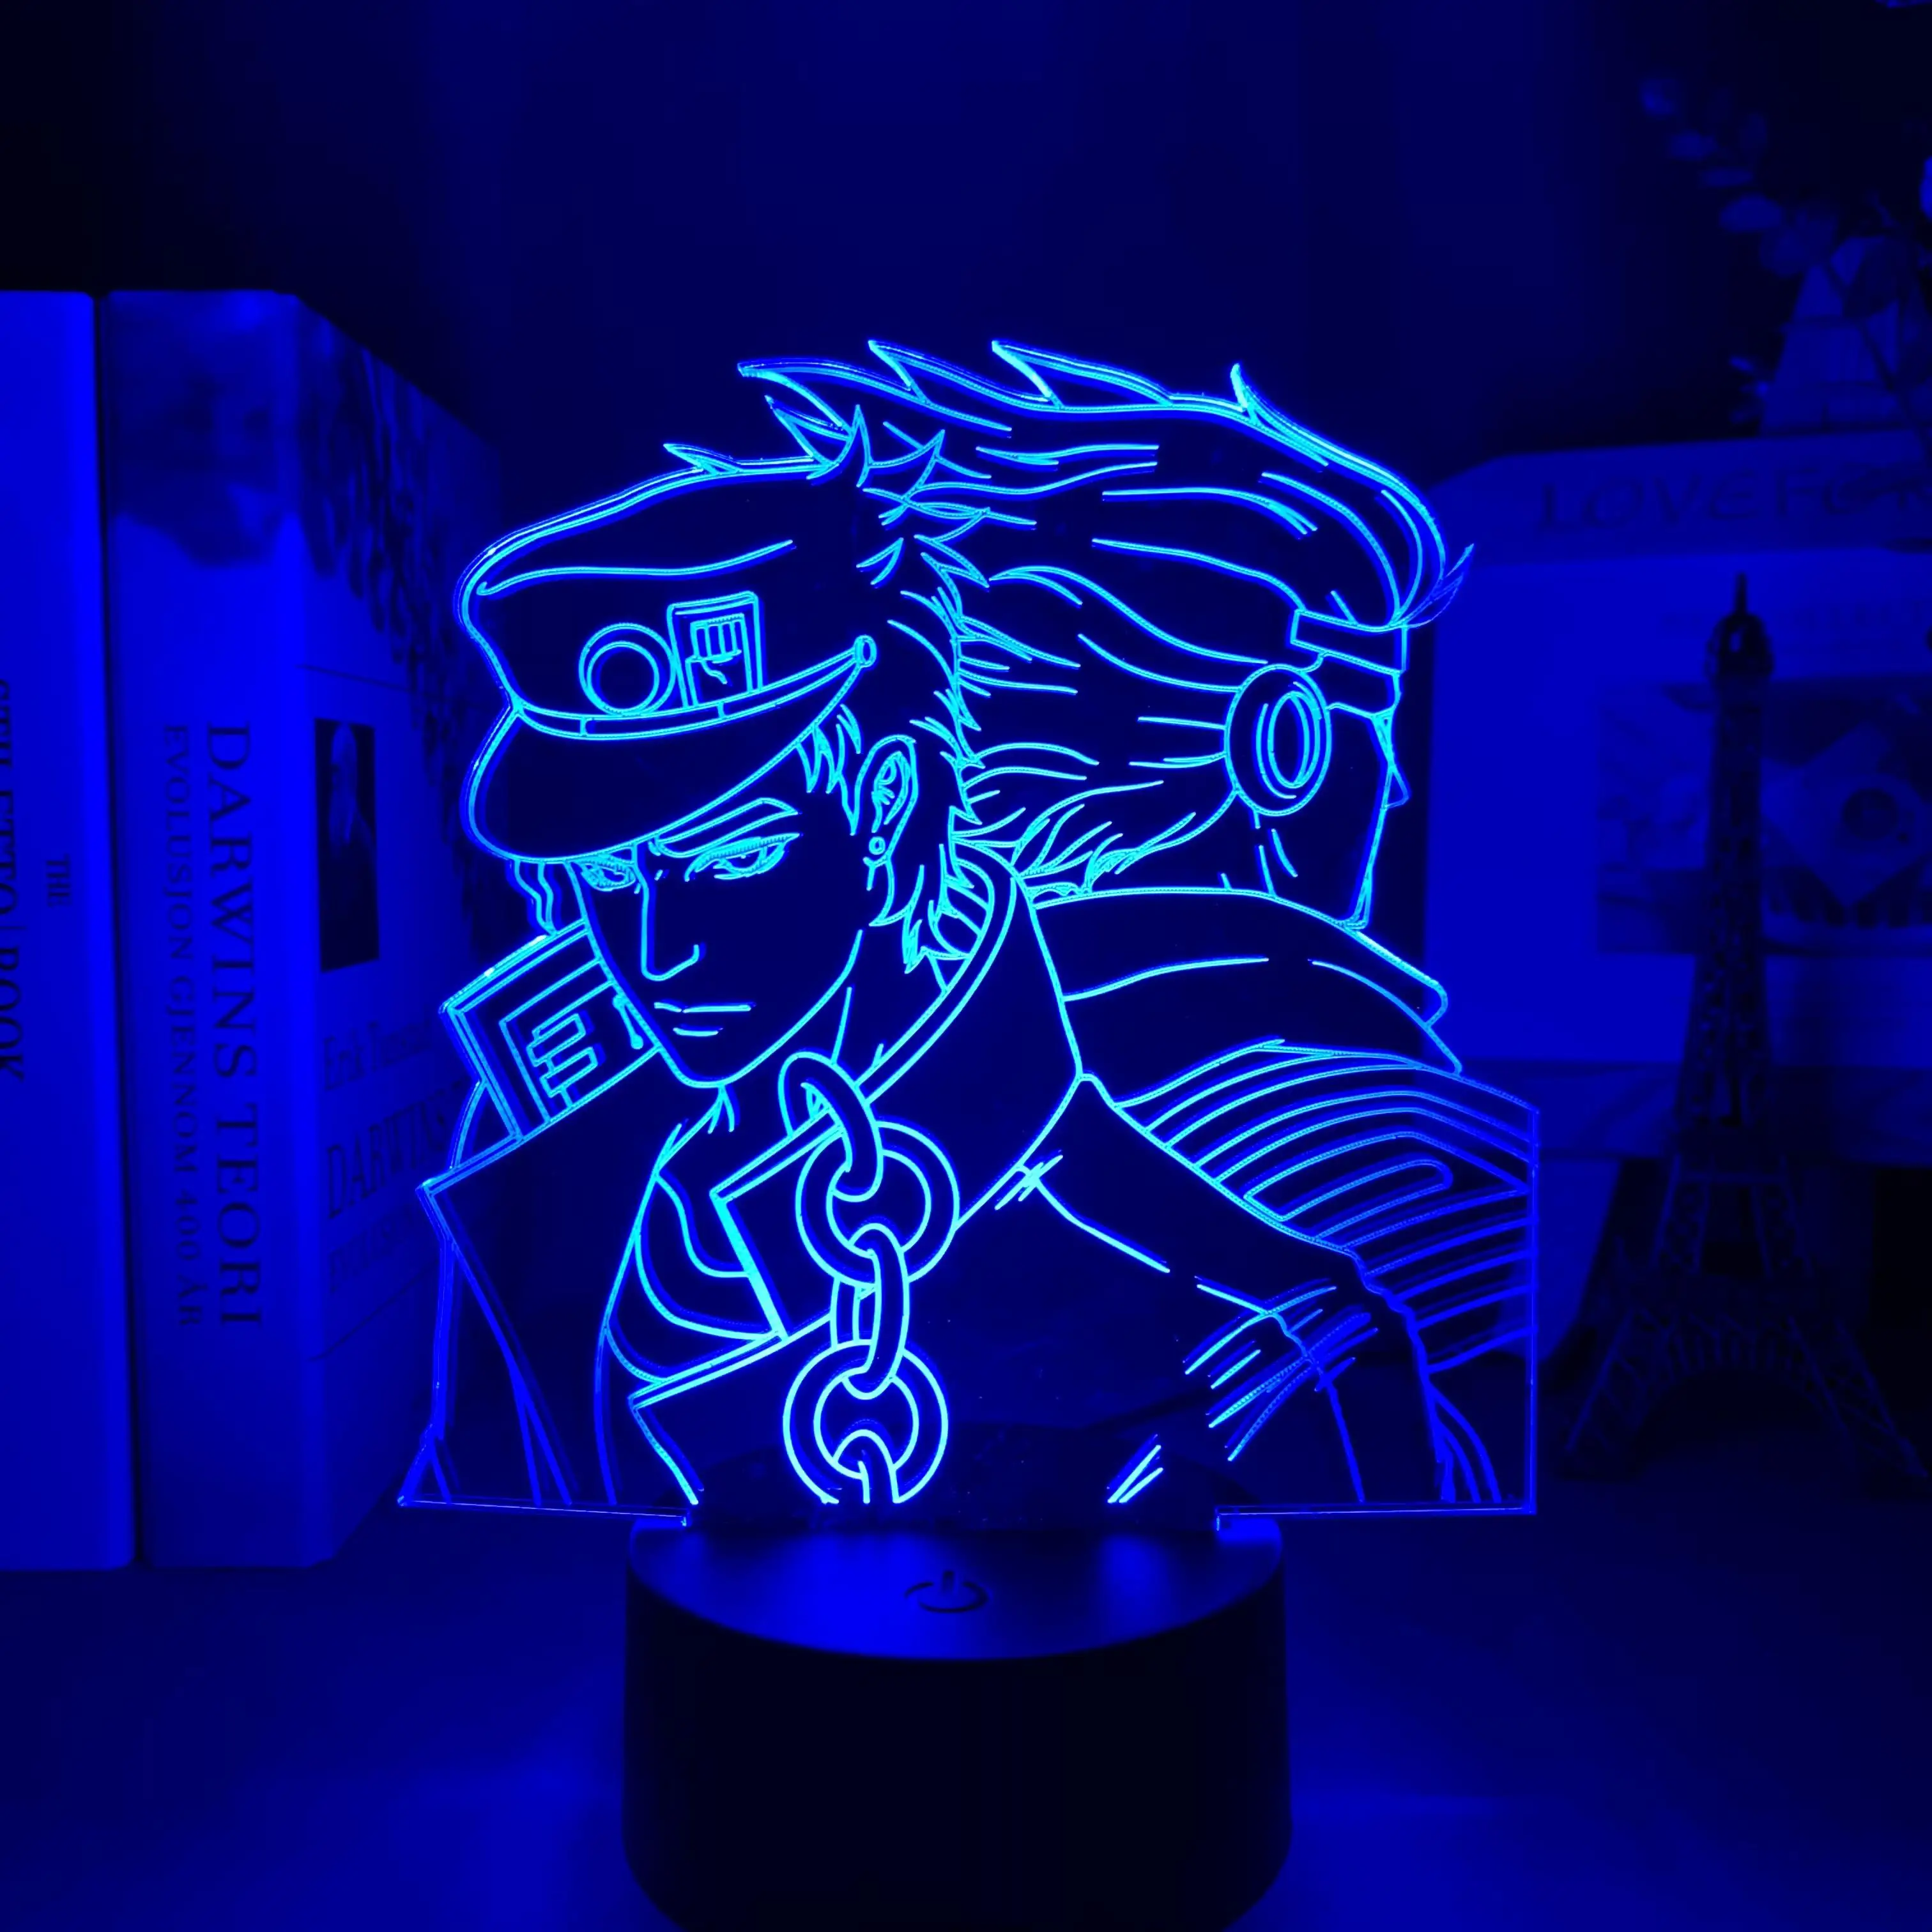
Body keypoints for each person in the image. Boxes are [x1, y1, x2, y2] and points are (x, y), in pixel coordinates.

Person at [407, 344, 1532, 1525]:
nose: (654, 950)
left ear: (888, 803)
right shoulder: (547, 1162)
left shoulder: (1271, 1331)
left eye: (734, 857)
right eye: (603, 876)